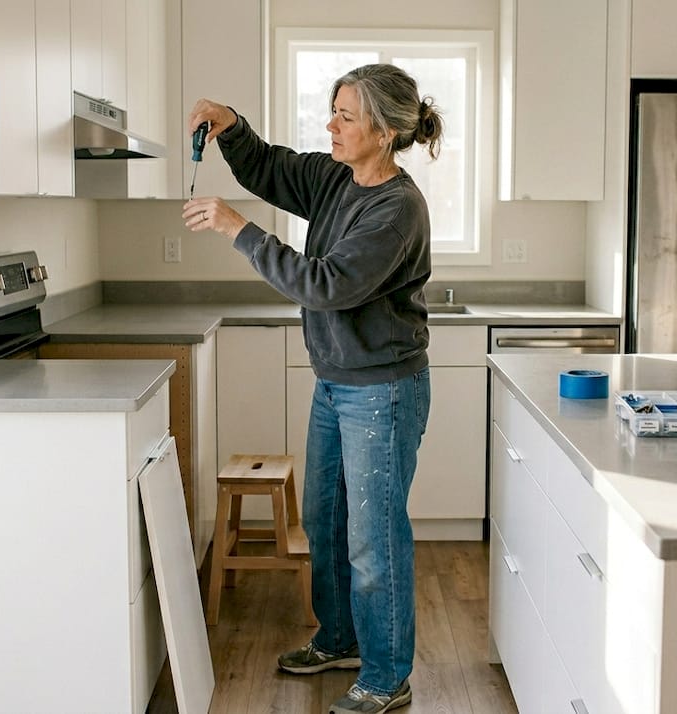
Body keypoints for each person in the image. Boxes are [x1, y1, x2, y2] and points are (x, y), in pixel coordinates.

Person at [182, 63, 443, 714]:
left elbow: (325, 283)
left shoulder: (397, 208)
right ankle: (340, 640)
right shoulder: (337, 178)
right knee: (325, 521)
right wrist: (232, 126)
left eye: (345, 116)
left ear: (382, 133)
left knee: (374, 537)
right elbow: (272, 168)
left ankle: (387, 678)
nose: (331, 125)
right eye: (333, 110)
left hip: (381, 390)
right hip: (337, 382)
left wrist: (240, 229)